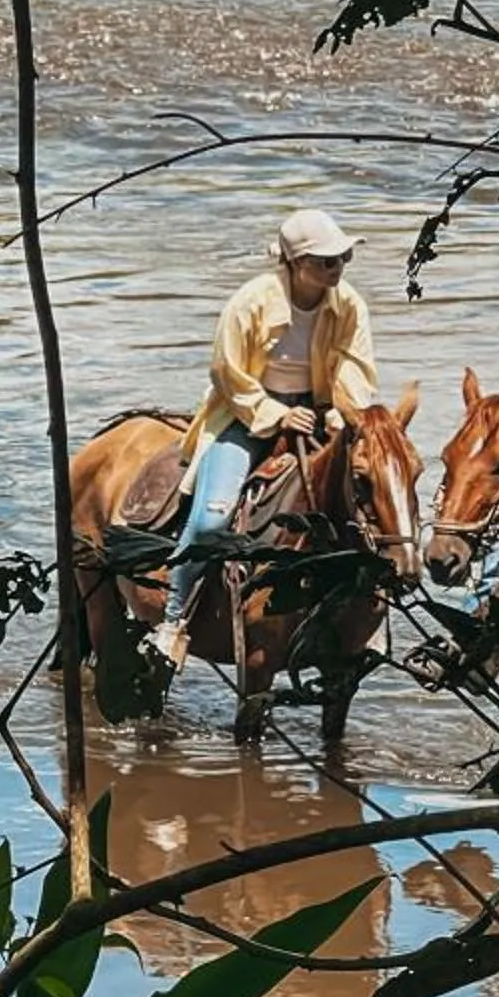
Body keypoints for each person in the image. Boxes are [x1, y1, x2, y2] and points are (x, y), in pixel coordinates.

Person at [156, 207, 379, 664]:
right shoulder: (251, 301)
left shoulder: (349, 305)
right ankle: (174, 621)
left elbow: (357, 368)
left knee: (372, 504)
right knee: (211, 521)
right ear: (296, 264)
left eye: (342, 260)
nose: (337, 269)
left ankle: (371, 624)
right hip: (247, 414)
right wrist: (274, 414)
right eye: (326, 261)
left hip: (323, 414)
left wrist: (341, 413)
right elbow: (227, 372)